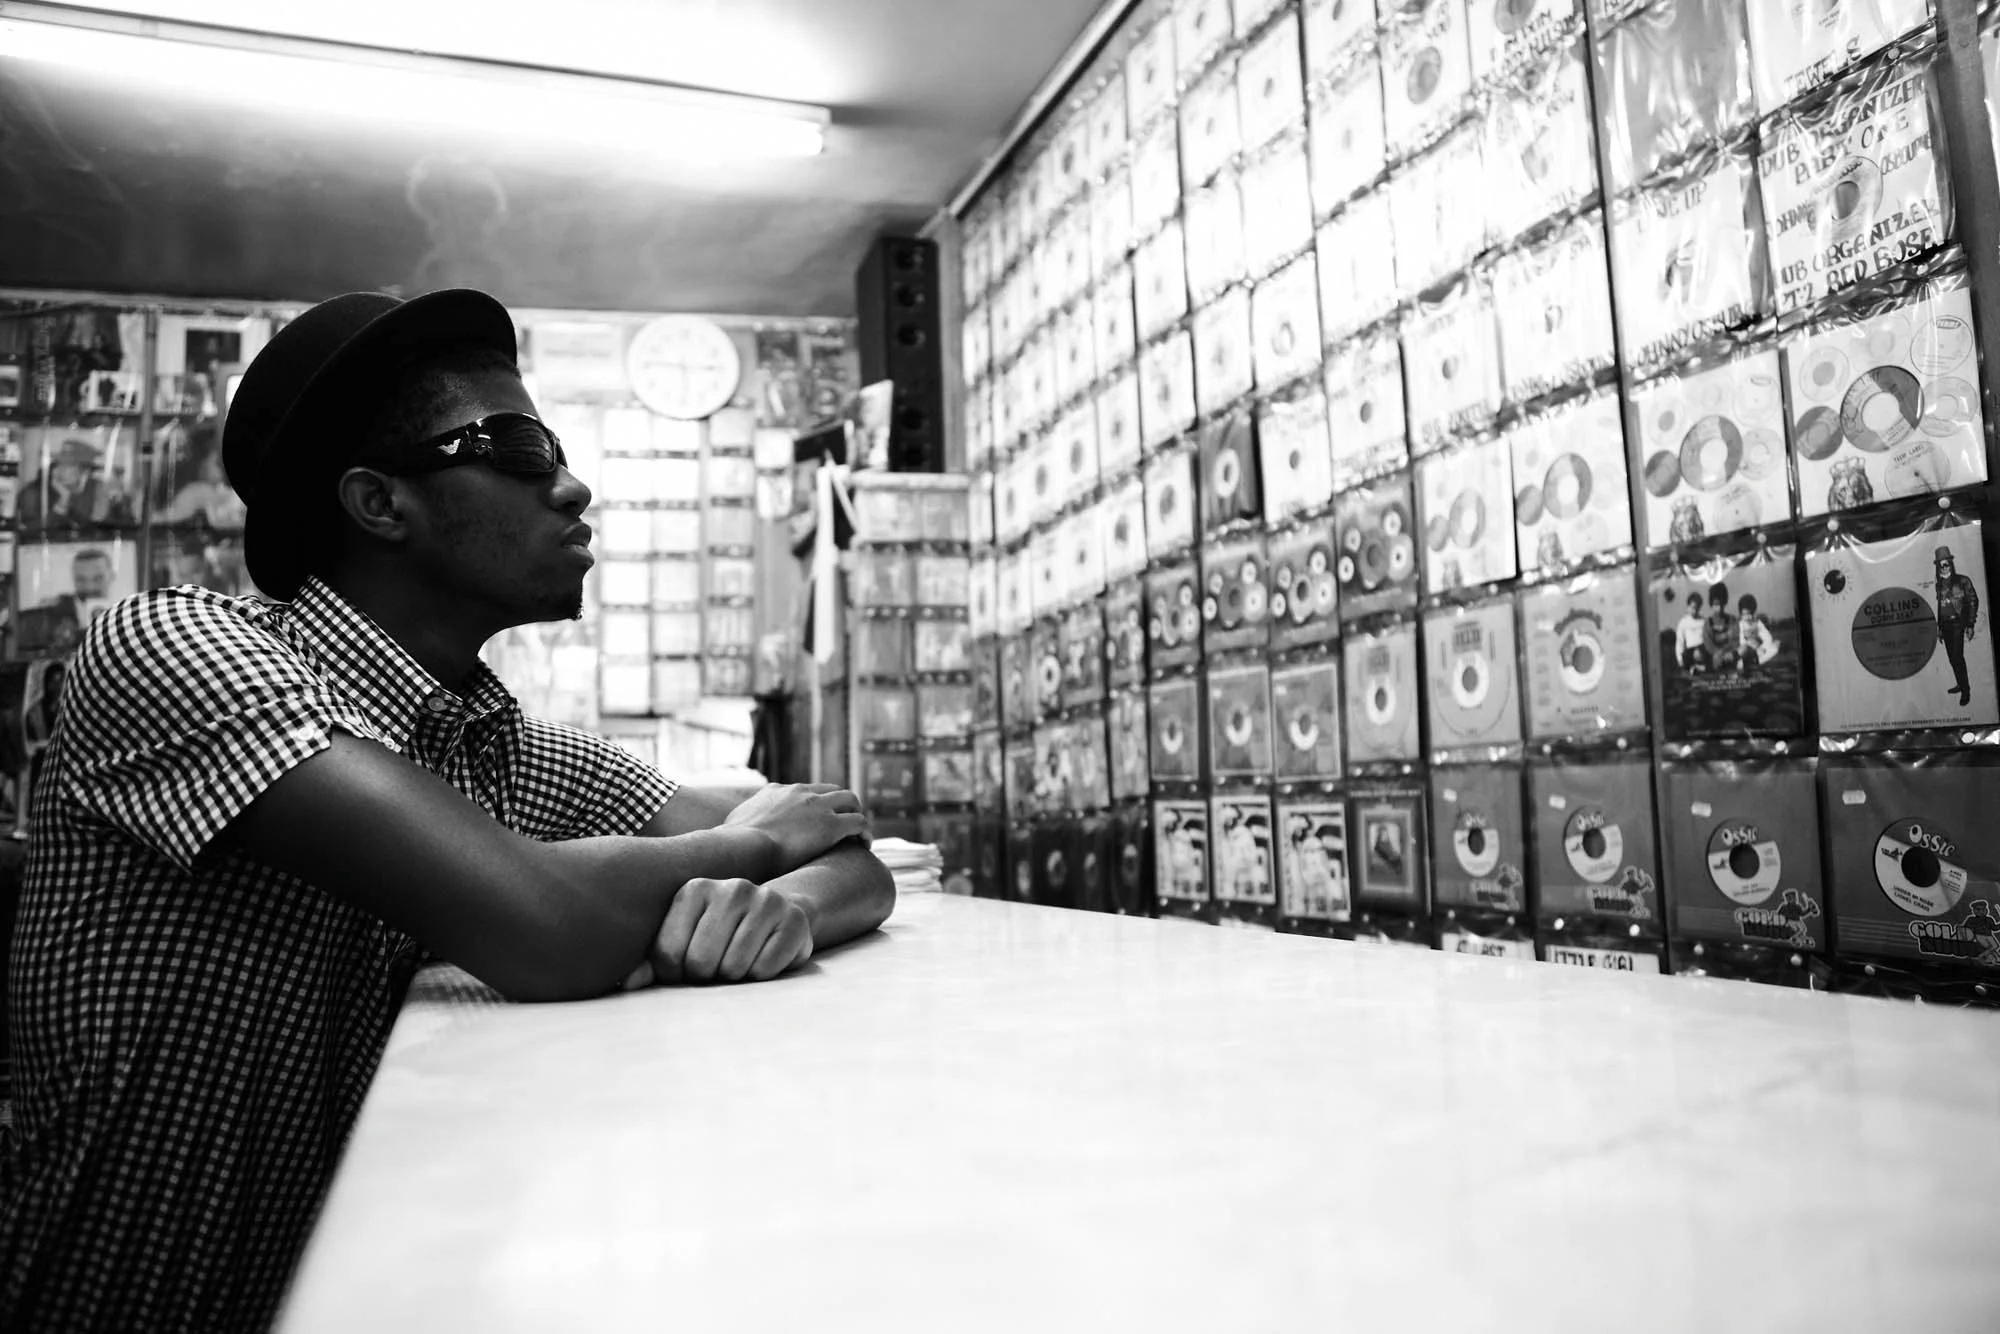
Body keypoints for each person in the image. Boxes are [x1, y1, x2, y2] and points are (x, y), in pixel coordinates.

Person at [0, 289, 896, 1331]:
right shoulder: (171, 650)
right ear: (380, 503)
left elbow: (848, 849)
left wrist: (785, 904)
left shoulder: (489, 740)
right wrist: (757, 842)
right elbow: (547, 923)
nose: (572, 485)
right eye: (518, 447)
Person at [1935, 545, 1980, 707]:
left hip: (1957, 624)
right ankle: (1960, 684)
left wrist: (1970, 624)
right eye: (1941, 565)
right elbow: (1940, 606)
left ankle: (1966, 691)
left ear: (1951, 564)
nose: (1944, 568)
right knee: (1952, 658)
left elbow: (1972, 600)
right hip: (1945, 625)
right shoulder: (1939, 584)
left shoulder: (1962, 581)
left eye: (1946, 564)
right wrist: (1939, 627)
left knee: (1957, 658)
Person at [1674, 590, 1706, 671]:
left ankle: (1702, 667)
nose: (1694, 611)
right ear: (1688, 606)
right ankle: (1692, 668)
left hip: (1702, 651)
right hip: (1689, 653)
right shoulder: (1683, 623)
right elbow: (1679, 642)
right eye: (1692, 608)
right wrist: (1680, 660)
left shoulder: (1704, 621)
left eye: (1697, 608)